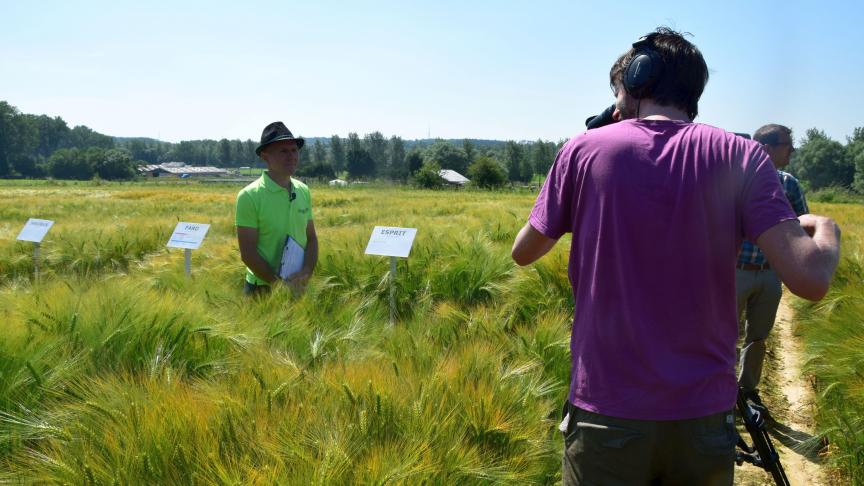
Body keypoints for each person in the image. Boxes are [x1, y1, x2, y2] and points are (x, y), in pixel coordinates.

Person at [511, 28, 840, 485]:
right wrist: (827, 229)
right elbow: (811, 278)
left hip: (607, 410)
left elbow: (523, 252)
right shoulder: (742, 155)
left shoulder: (582, 150)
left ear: (637, 81)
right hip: (702, 415)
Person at [737, 124, 808, 412]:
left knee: (758, 337)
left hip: (769, 273)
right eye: (787, 145)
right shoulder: (734, 180)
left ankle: (747, 391)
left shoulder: (789, 183)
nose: (792, 150)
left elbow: (802, 223)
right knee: (721, 334)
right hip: (734, 270)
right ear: (766, 148)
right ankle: (717, 393)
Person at [236, 121, 318, 295]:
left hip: (298, 287)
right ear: (265, 156)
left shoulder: (303, 191)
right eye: (283, 151)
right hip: (262, 289)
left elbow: (311, 238)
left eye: (294, 150)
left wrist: (306, 272)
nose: (291, 156)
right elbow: (248, 253)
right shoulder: (249, 196)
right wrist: (279, 285)